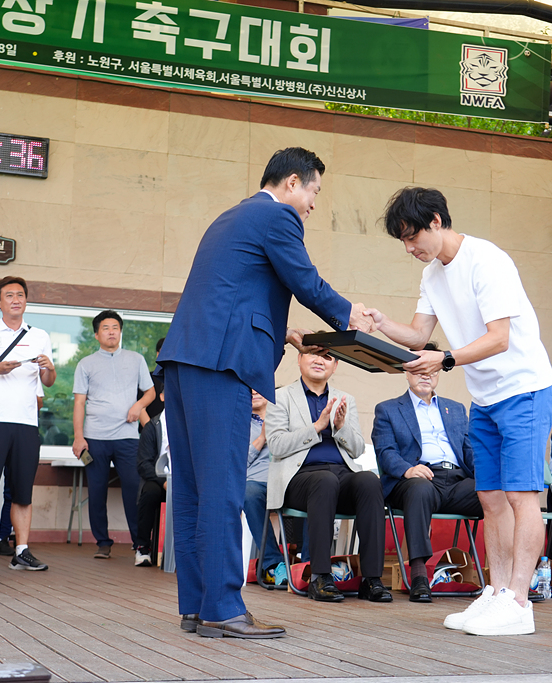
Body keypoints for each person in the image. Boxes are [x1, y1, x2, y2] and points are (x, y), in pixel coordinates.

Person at [156, 147, 373, 639]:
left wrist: (287, 335)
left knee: (191, 490)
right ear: (293, 182)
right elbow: (306, 281)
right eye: (315, 191)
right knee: (223, 488)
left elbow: (235, 294)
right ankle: (226, 609)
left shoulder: (231, 216)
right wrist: (349, 316)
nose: (314, 204)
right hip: (222, 365)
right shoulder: (277, 217)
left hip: (186, 361)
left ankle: (198, 606)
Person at [369, 187, 552, 636]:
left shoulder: (487, 260)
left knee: (522, 496)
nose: (410, 248)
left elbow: (499, 338)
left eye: (413, 236)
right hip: (486, 398)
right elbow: (417, 336)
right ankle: (494, 593)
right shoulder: (432, 275)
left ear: (436, 220)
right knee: (491, 499)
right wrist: (378, 324)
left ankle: (519, 600)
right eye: (402, 241)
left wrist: (446, 359)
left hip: (526, 389)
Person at [266, 350, 391, 603]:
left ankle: (371, 579)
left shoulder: (345, 399)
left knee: (369, 481)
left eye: (327, 357)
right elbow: (276, 445)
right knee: (324, 480)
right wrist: (317, 427)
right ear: (299, 359)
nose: (319, 360)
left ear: (335, 365)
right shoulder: (280, 397)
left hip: (340, 475)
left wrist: (341, 427)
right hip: (300, 478)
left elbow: (356, 449)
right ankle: (320, 577)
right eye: (312, 354)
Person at [372, 347, 479, 603]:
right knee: (420, 488)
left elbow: (469, 451)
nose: (425, 375)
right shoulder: (388, 409)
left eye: (431, 369)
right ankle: (419, 576)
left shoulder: (455, 409)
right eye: (418, 369)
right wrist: (408, 470)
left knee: (494, 494)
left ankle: (504, 579)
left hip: (456, 481)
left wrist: (490, 478)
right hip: (413, 480)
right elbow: (385, 451)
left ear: (440, 372)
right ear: (406, 372)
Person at [0, 276, 54, 573]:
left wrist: (49, 369)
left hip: (26, 423)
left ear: (26, 300)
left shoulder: (39, 335)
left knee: (23, 492)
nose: (16, 299)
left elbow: (48, 382)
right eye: (9, 295)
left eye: (20, 295)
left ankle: (22, 551)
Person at [72, 310, 155, 561]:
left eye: (115, 327)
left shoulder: (136, 359)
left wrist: (138, 406)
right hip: (95, 437)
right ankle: (103, 543)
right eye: (106, 328)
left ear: (120, 331)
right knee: (97, 492)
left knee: (134, 490)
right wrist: (78, 437)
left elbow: (150, 392)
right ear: (97, 334)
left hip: (128, 438)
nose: (111, 331)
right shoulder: (85, 363)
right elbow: (79, 403)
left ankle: (140, 545)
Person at [243, 388, 285, 584]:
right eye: (248, 389)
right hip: (257, 484)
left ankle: (310, 565)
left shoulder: (285, 418)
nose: (254, 391)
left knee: (316, 486)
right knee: (249, 493)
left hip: (288, 480)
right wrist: (261, 438)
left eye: (258, 387)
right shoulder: (239, 424)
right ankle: (275, 564)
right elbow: (236, 465)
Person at [135, 383, 168, 567]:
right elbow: (143, 464)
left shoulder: (191, 426)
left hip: (183, 481)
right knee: (150, 493)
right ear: (162, 397)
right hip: (159, 479)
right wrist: (163, 482)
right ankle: (142, 547)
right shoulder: (152, 427)